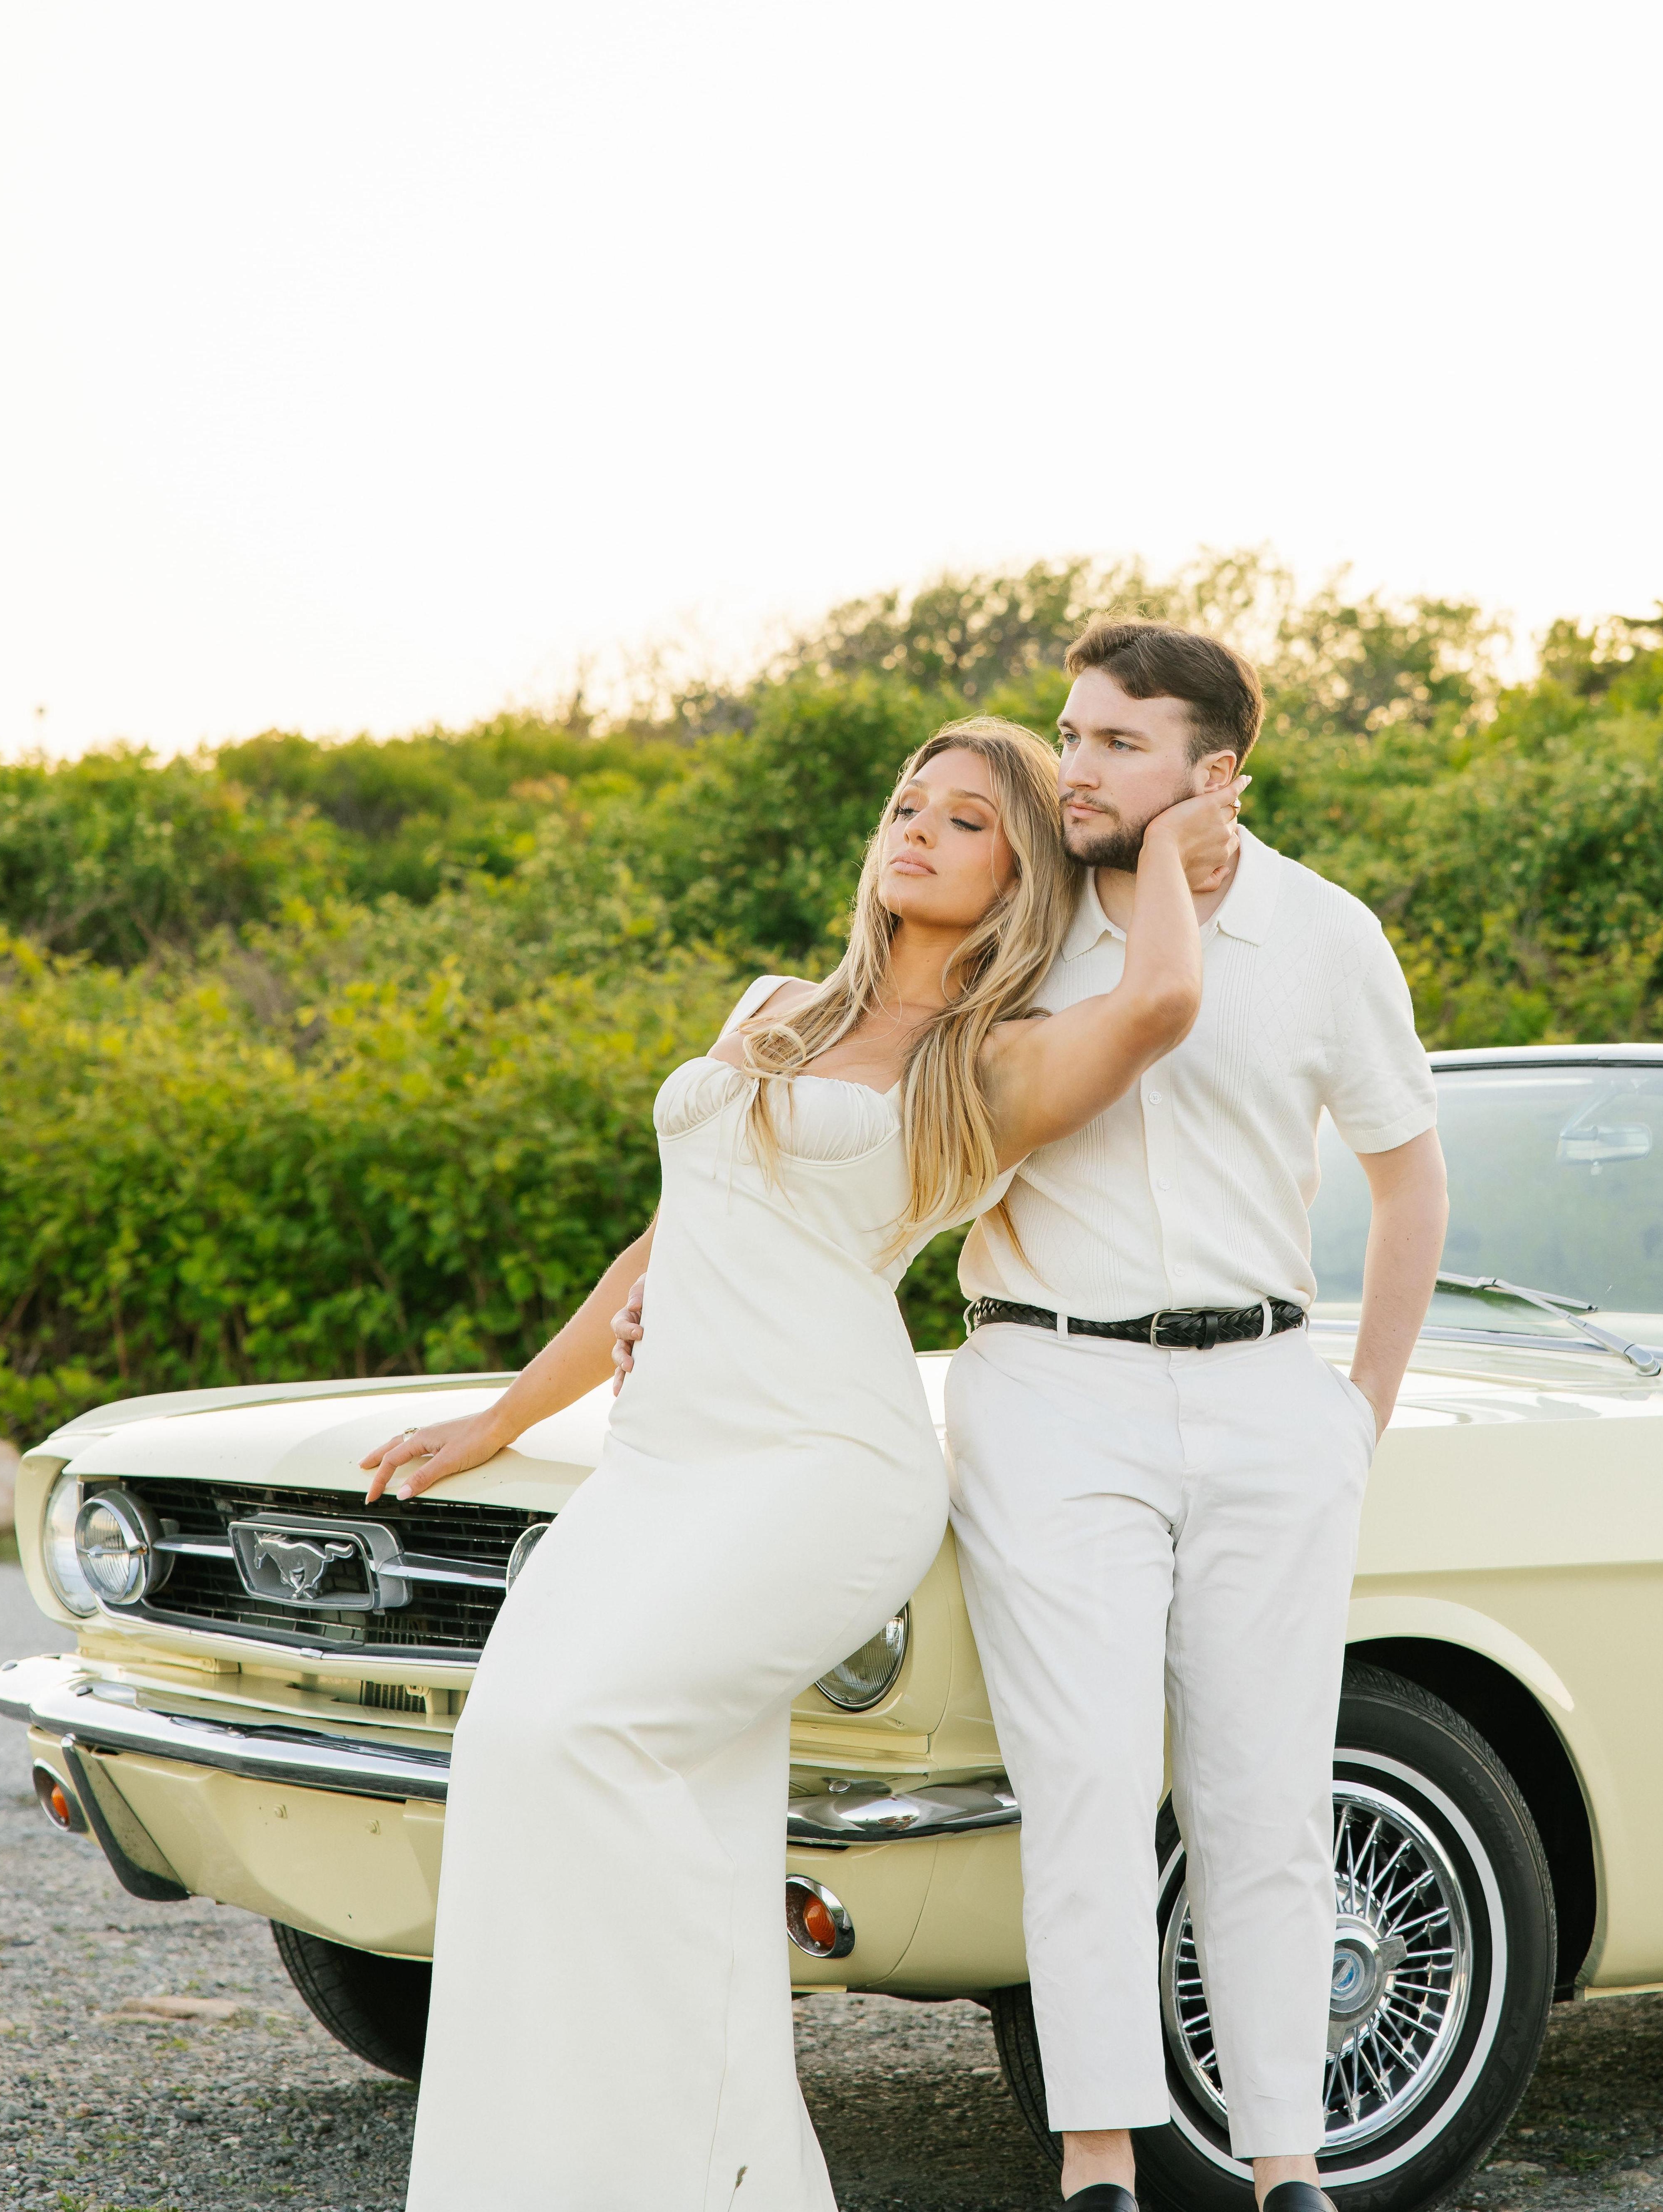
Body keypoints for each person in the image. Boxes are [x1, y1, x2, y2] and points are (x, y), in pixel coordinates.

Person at [360, 713, 1244, 2212]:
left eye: (966, 820)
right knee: (511, 1752)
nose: (918, 831)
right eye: (908, 805)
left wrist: (1158, 836)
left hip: (822, 1465)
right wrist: (500, 1422)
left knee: (588, 1738)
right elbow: (664, 1241)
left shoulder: (996, 1059)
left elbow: (1160, 998)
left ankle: (695, 2154)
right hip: (660, 1461)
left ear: (1023, 869)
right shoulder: (771, 1009)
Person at [947, 622, 1449, 2212]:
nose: (1072, 768)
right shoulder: (1018, 921)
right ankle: (1100, 2163)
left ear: (1214, 770)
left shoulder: (1323, 933)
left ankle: (1286, 2166)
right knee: (1085, 1788)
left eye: (1115, 743)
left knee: (1266, 1801)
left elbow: (1408, 1179)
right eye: (1067, 735)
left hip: (1265, 1403)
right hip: (1049, 1393)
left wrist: (1356, 1418)